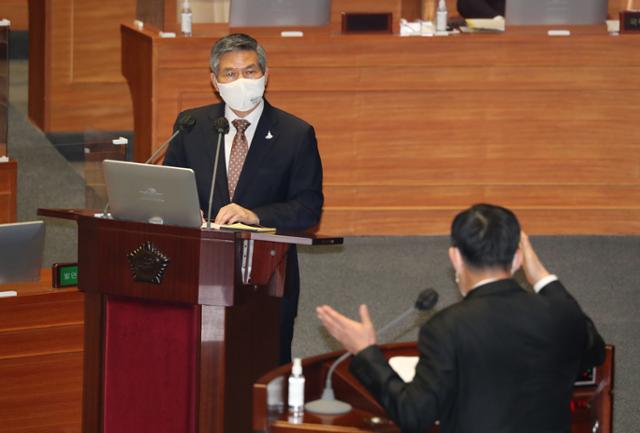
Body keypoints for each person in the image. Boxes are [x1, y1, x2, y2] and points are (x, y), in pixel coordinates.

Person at [317, 204, 605, 433]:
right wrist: (541, 276)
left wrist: (366, 352)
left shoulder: (446, 327)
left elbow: (414, 415)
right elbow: (593, 351)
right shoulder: (560, 313)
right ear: (518, 260)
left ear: (455, 257)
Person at [164, 33, 324, 364]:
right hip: (201, 267)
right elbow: (171, 188)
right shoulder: (191, 125)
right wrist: (182, 212)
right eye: (230, 74)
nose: (241, 81)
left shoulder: (295, 134)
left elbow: (308, 209)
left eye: (250, 72)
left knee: (263, 366)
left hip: (266, 275)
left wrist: (255, 215)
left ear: (265, 75)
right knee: (198, 363)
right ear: (214, 80)